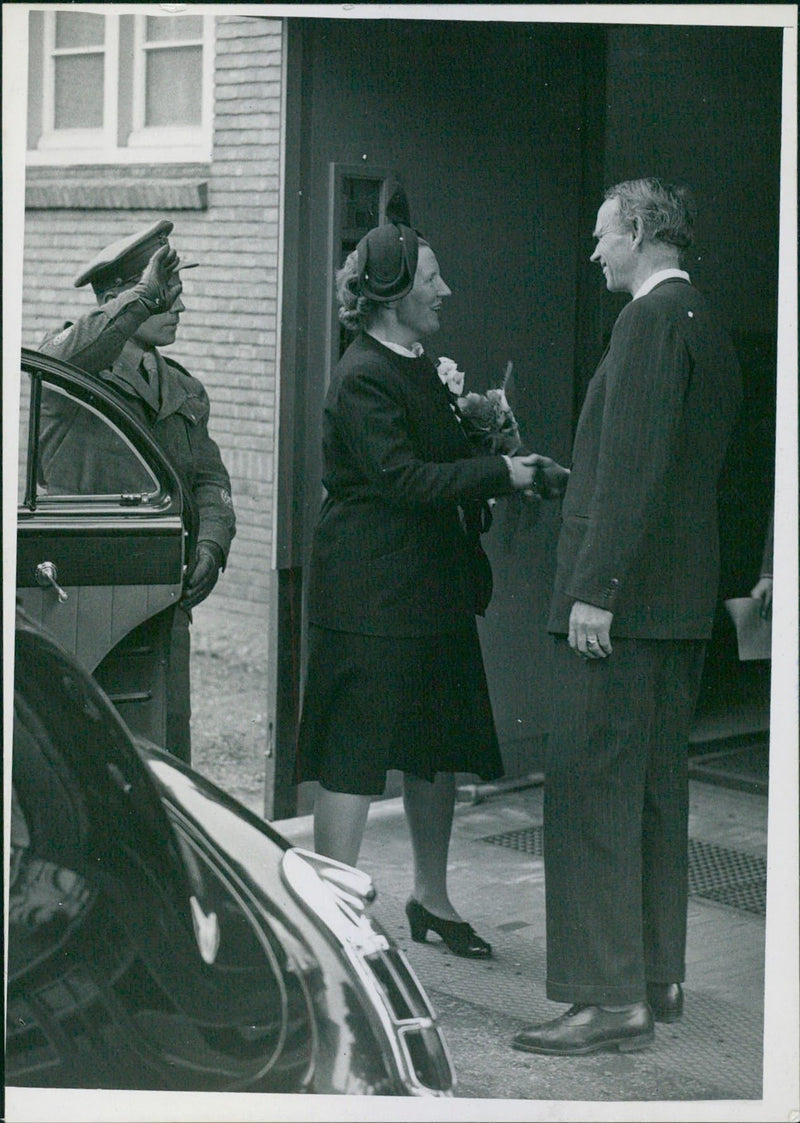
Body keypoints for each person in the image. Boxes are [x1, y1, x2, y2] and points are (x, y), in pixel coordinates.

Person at [512, 178, 742, 1054]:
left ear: (641, 230)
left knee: (591, 797)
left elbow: (640, 462)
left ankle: (606, 998)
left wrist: (594, 588)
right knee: (651, 795)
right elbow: (671, 471)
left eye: (605, 235)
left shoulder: (646, 321)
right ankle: (654, 974)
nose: (595, 251)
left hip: (624, 609)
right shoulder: (705, 325)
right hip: (674, 609)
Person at [296, 221, 542, 957]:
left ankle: (430, 901)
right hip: (370, 598)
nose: (445, 290)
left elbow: (437, 462)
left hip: (429, 593)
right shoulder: (363, 373)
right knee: (354, 754)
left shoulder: (416, 363)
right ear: (394, 292)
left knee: (433, 750)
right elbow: (402, 478)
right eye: (431, 279)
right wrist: (502, 472)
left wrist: (489, 445)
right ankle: (331, 917)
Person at [39, 220, 236, 763]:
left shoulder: (182, 386)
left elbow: (211, 481)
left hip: (161, 596)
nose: (178, 306)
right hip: (84, 597)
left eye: (175, 292)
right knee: (89, 752)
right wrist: (141, 297)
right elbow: (57, 361)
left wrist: (212, 546)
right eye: (165, 292)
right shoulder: (70, 372)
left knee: (166, 752)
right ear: (117, 298)